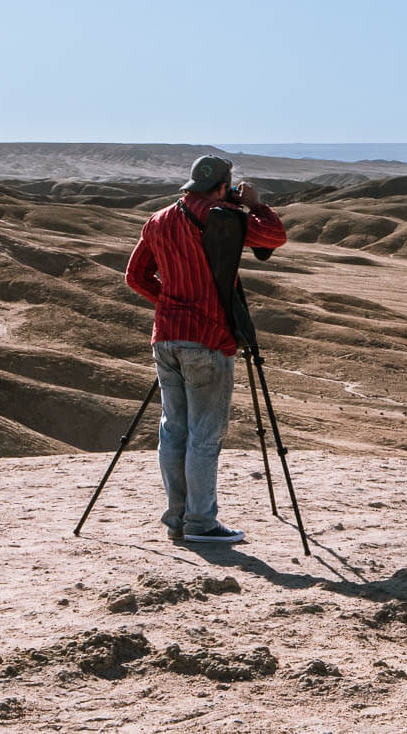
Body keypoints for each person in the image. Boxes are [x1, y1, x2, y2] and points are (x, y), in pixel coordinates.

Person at [125, 155, 287, 543]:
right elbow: (274, 236)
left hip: (166, 337)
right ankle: (201, 523)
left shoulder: (158, 219)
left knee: (173, 430)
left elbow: (135, 276)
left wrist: (171, 303)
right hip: (208, 339)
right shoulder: (223, 216)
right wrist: (256, 204)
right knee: (205, 434)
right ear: (222, 186)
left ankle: (177, 519)